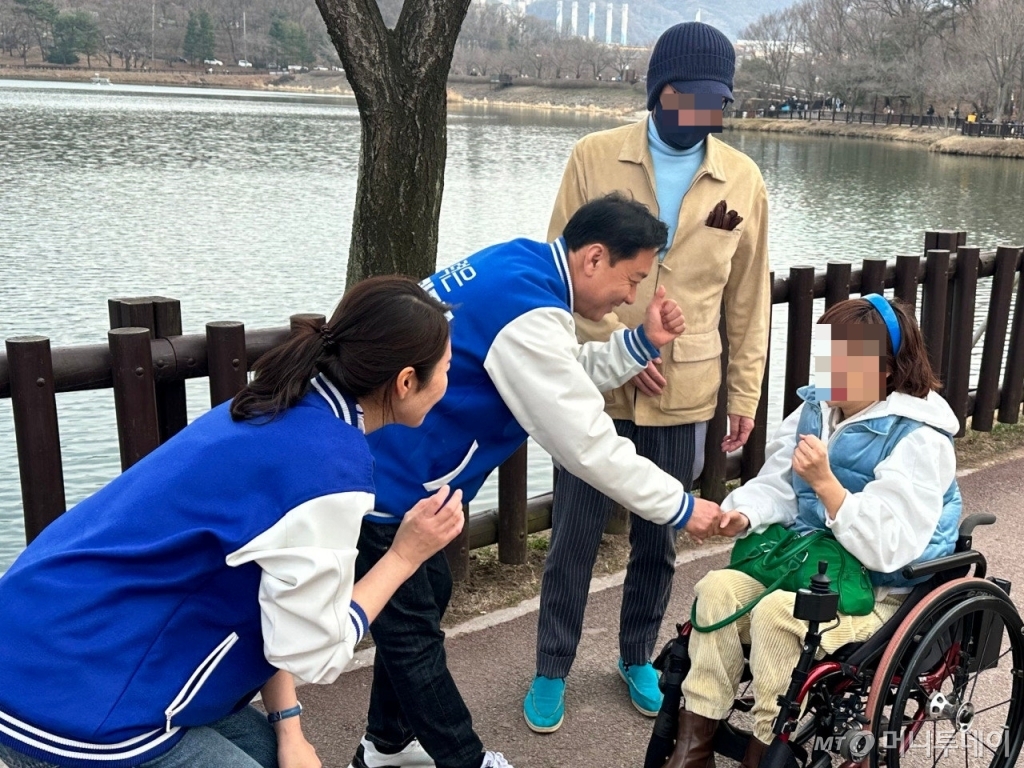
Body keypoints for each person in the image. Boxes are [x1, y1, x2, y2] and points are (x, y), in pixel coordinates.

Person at [0, 277, 464, 768]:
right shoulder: (328, 468)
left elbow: (272, 591)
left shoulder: (273, 402)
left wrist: (289, 726)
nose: (449, 386)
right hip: (74, 701)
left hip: (46, 634)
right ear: (407, 381)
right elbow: (315, 651)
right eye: (448, 371)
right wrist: (404, 555)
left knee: (274, 756)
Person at [345, 193, 723, 768]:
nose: (631, 295)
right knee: (412, 633)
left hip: (397, 466)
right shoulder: (528, 313)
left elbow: (556, 372)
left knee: (422, 605)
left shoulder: (520, 265)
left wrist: (641, 343)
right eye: (632, 278)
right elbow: (588, 445)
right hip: (390, 478)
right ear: (594, 258)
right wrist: (679, 506)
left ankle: (386, 744)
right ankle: (463, 760)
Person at [524, 21, 770, 733]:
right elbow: (556, 274)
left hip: (688, 390)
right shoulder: (592, 157)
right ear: (661, 91)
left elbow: (748, 299)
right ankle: (550, 666)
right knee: (572, 532)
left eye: (717, 99)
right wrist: (620, 347)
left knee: (659, 535)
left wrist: (745, 393)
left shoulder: (743, 179)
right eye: (692, 96)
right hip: (595, 383)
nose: (705, 111)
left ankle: (636, 654)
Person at [665, 295, 961, 768]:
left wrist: (828, 486)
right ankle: (693, 748)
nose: (829, 369)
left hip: (881, 591)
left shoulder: (920, 439)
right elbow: (780, 486)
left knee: (781, 615)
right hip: (812, 565)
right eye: (827, 354)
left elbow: (889, 549)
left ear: (887, 369)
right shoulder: (816, 410)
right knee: (717, 588)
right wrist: (743, 513)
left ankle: (766, 748)